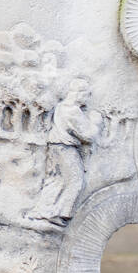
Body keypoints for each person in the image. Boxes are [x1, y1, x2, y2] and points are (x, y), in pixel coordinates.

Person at [26, 77, 100, 226]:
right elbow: (88, 135)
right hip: (65, 148)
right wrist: (96, 122)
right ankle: (59, 213)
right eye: (86, 94)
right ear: (79, 94)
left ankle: (41, 211)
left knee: (55, 179)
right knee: (76, 181)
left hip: (54, 147)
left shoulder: (61, 107)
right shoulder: (73, 111)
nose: (87, 98)